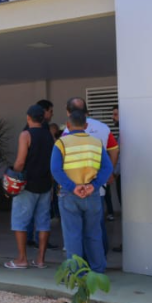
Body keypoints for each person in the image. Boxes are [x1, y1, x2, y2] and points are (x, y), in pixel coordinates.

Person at [51, 108, 114, 274]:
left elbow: (55, 170)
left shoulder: (61, 143)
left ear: (68, 125)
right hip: (91, 193)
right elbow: (107, 168)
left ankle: (77, 274)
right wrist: (94, 185)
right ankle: (98, 271)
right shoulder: (96, 143)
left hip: (69, 194)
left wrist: (73, 187)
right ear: (86, 125)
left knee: (73, 235)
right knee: (94, 234)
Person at [63, 97, 118, 259]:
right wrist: (108, 173)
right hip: (96, 185)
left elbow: (60, 161)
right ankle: (99, 260)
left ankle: (81, 263)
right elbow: (114, 150)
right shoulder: (103, 128)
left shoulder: (67, 131)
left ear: (68, 113)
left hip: (74, 187)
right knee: (96, 226)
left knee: (76, 228)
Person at [6, 104, 55, 269]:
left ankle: (22, 259)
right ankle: (40, 259)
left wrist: (13, 175)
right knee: (43, 222)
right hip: (45, 184)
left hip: (27, 185)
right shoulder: (49, 135)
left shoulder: (25, 134)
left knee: (20, 221)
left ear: (28, 118)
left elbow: (20, 161)